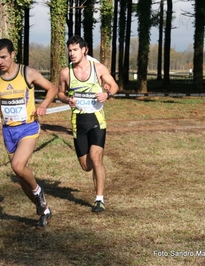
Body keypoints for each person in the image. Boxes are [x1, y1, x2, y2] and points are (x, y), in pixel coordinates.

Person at [0, 38, 57, 228]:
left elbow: (52, 88)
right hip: (8, 131)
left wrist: (43, 105)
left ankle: (39, 191)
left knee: (18, 165)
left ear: (13, 54)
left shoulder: (27, 73)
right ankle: (44, 210)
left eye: (4, 57)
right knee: (21, 177)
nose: (0, 62)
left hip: (28, 127)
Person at [58, 35, 119, 213]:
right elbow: (60, 93)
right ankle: (96, 171)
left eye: (75, 49)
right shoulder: (65, 72)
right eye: (69, 50)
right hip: (78, 121)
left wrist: (107, 95)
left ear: (85, 50)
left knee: (96, 157)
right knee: (86, 166)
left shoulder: (98, 68)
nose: (72, 53)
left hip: (96, 119)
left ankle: (99, 199)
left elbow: (114, 86)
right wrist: (66, 99)